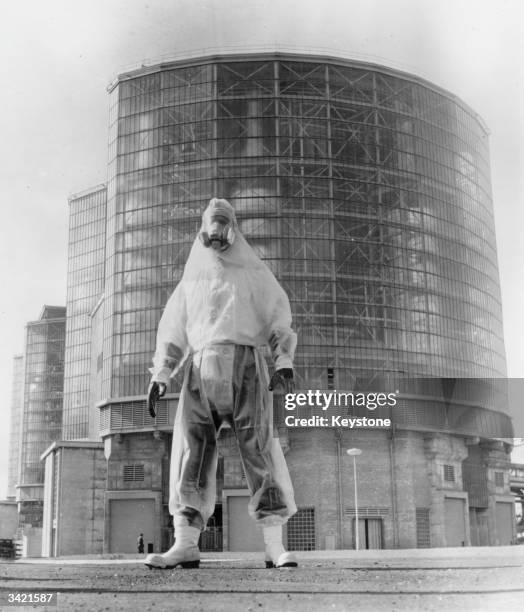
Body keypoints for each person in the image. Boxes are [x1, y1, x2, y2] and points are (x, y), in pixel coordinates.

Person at [144, 197, 298, 570]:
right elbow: (175, 327)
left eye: (223, 224)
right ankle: (185, 543)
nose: (217, 234)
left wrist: (283, 360)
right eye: (212, 225)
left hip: (246, 365)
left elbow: (278, 314)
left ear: (233, 227)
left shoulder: (253, 272)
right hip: (200, 369)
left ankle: (273, 545)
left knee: (258, 450)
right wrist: (162, 373)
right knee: (191, 455)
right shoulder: (192, 279)